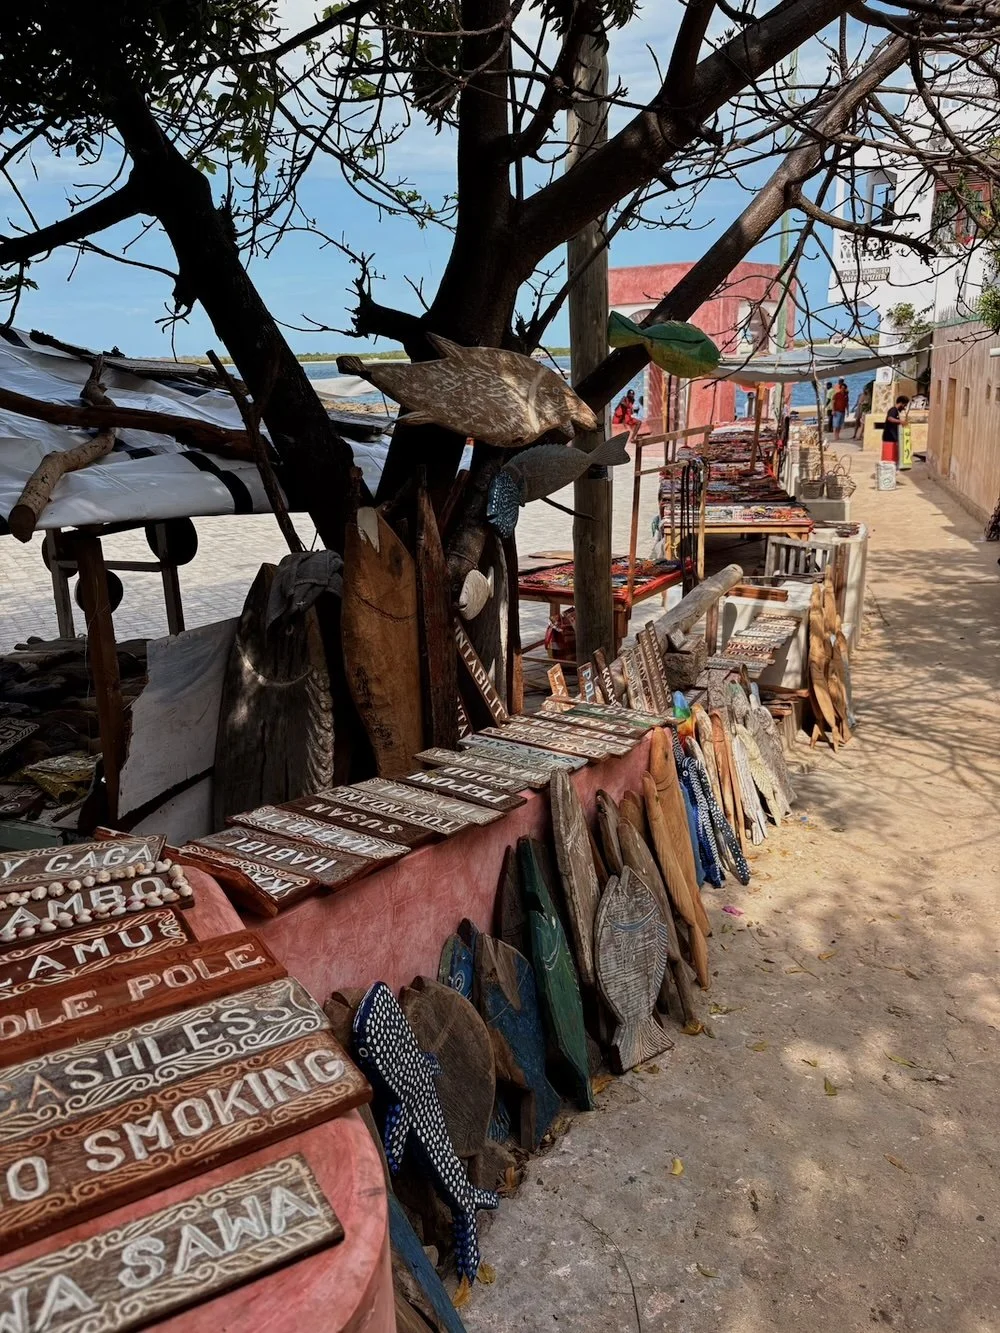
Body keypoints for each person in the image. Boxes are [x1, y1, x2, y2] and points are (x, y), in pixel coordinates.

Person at [881, 394, 910, 465]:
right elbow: (890, 418)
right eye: (904, 405)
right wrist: (901, 421)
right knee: (888, 458)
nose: (904, 408)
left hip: (893, 437)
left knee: (893, 457)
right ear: (901, 403)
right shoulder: (893, 410)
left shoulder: (896, 412)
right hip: (889, 437)